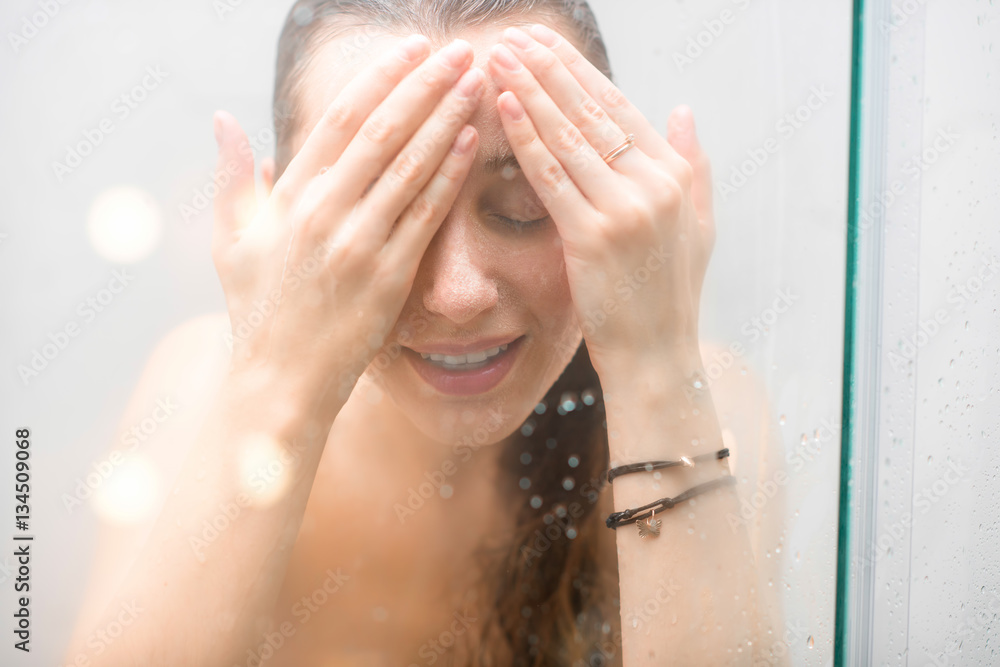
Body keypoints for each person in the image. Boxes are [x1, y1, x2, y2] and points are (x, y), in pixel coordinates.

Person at [65, 1, 788, 664]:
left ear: (624, 199)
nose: (458, 294)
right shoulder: (199, 386)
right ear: (285, 228)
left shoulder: (707, 402)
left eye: (524, 202)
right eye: (385, 208)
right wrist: (276, 373)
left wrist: (655, 364)